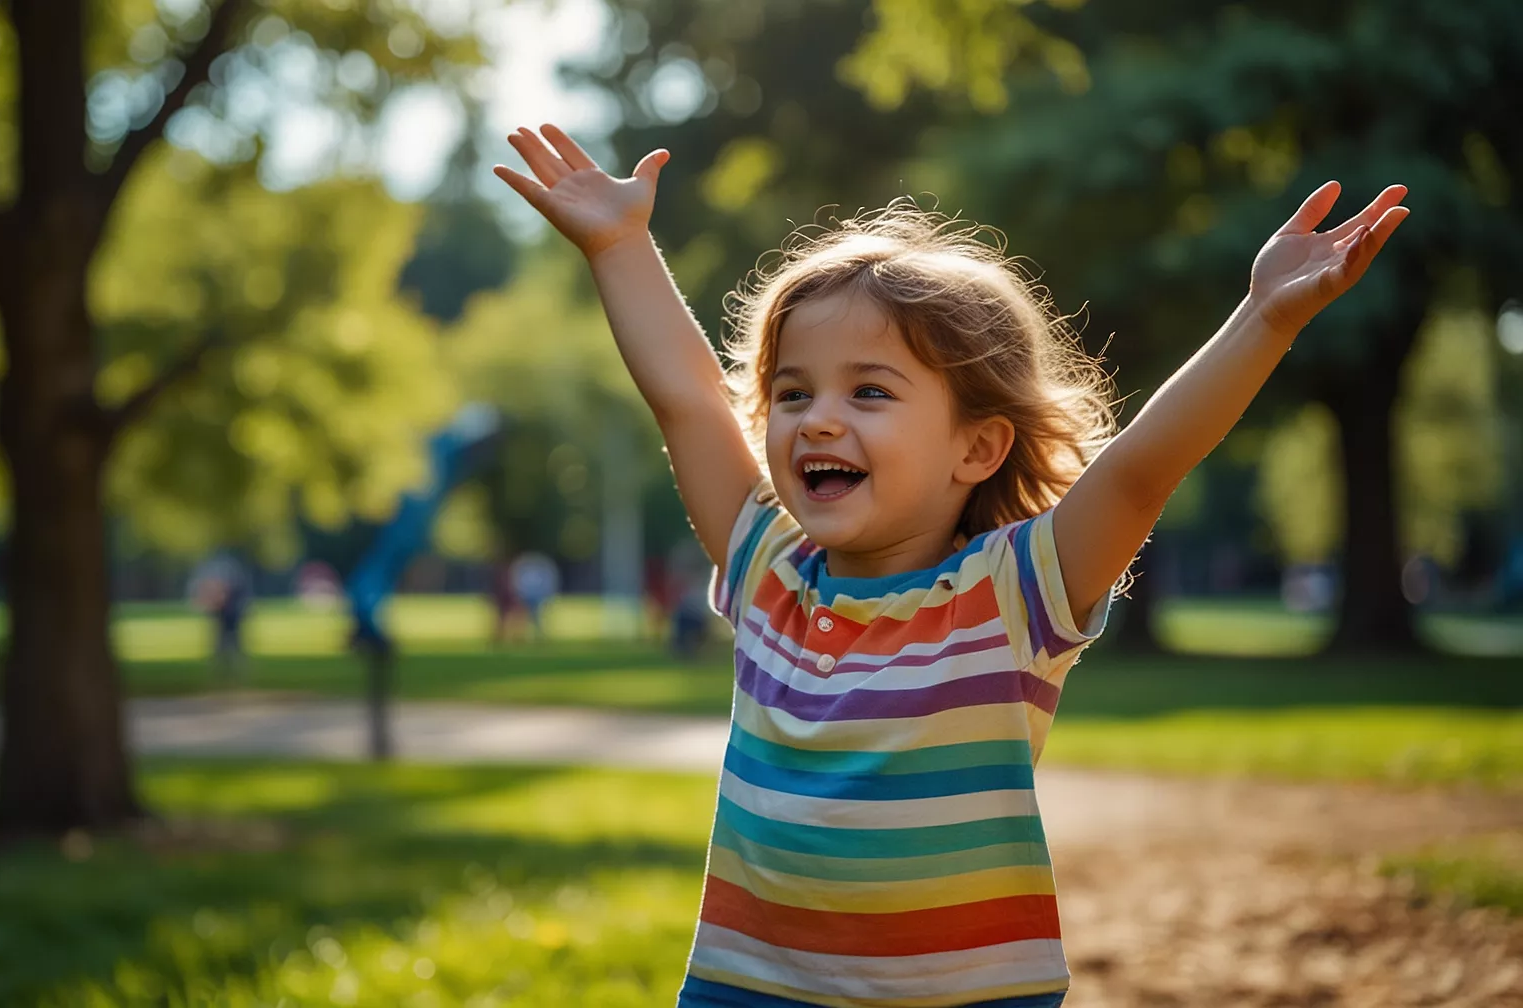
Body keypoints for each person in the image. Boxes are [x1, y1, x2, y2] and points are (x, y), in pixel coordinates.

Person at [497, 124, 1407, 1008]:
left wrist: (1264, 317)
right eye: (791, 391)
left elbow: (1139, 471)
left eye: (870, 391)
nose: (815, 418)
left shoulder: (1013, 591)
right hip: (751, 991)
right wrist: (619, 245)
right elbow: (691, 406)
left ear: (977, 448)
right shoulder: (768, 569)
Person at [507, 551, 559, 642]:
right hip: (526, 596)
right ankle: (522, 636)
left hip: (536, 596)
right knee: (522, 617)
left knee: (536, 617)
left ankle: (538, 635)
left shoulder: (539, 567)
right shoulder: (524, 566)